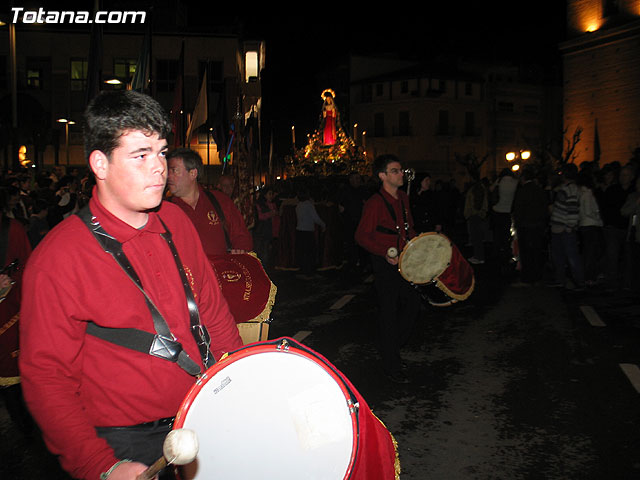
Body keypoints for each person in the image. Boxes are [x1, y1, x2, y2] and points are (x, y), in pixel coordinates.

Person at [19, 90, 244, 480]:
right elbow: (47, 379)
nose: (159, 167)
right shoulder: (58, 258)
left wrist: (237, 387)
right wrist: (101, 465)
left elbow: (214, 315)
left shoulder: (177, 221)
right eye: (140, 154)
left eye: (161, 152)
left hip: (204, 412)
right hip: (124, 443)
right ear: (99, 163)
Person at [355, 154, 421, 384]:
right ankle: (391, 364)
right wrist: (384, 253)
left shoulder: (403, 197)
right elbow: (362, 235)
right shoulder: (374, 203)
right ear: (382, 176)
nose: (400, 174)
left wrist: (418, 247)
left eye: (400, 170)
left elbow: (408, 227)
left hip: (404, 260)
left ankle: (389, 346)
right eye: (395, 171)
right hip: (384, 262)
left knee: (412, 306)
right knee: (389, 312)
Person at [166, 148, 253, 256]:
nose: (168, 176)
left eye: (174, 171)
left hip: (220, 270)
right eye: (168, 171)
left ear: (193, 173)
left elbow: (241, 236)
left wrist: (240, 251)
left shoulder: (220, 201)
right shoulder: (164, 210)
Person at [548, 163, 585, 290]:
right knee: (561, 256)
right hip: (560, 227)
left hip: (564, 228)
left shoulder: (569, 190)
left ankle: (579, 281)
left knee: (570, 256)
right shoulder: (567, 188)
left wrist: (569, 226)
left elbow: (573, 210)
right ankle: (562, 279)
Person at [512, 165, 549, 286]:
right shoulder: (539, 190)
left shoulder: (522, 191)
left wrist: (517, 224)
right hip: (538, 225)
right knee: (536, 251)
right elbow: (545, 208)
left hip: (525, 226)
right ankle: (537, 276)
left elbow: (518, 210)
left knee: (526, 252)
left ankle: (527, 277)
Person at [490, 168, 519, 272]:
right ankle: (507, 253)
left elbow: (490, 190)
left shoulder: (499, 181)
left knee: (497, 235)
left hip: (497, 211)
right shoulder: (515, 182)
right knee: (507, 235)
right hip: (508, 211)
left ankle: (496, 254)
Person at [295, 188, 326, 273]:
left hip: (299, 230)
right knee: (310, 252)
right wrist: (323, 224)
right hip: (308, 231)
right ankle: (309, 271)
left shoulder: (298, 205)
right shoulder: (309, 205)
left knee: (302, 252)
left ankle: (302, 269)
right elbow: (315, 218)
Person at [463, 178, 488, 264]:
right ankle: (479, 256)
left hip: (474, 215)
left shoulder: (473, 190)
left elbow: (470, 204)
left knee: (476, 237)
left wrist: (467, 214)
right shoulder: (482, 189)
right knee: (479, 237)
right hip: (480, 215)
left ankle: (479, 257)